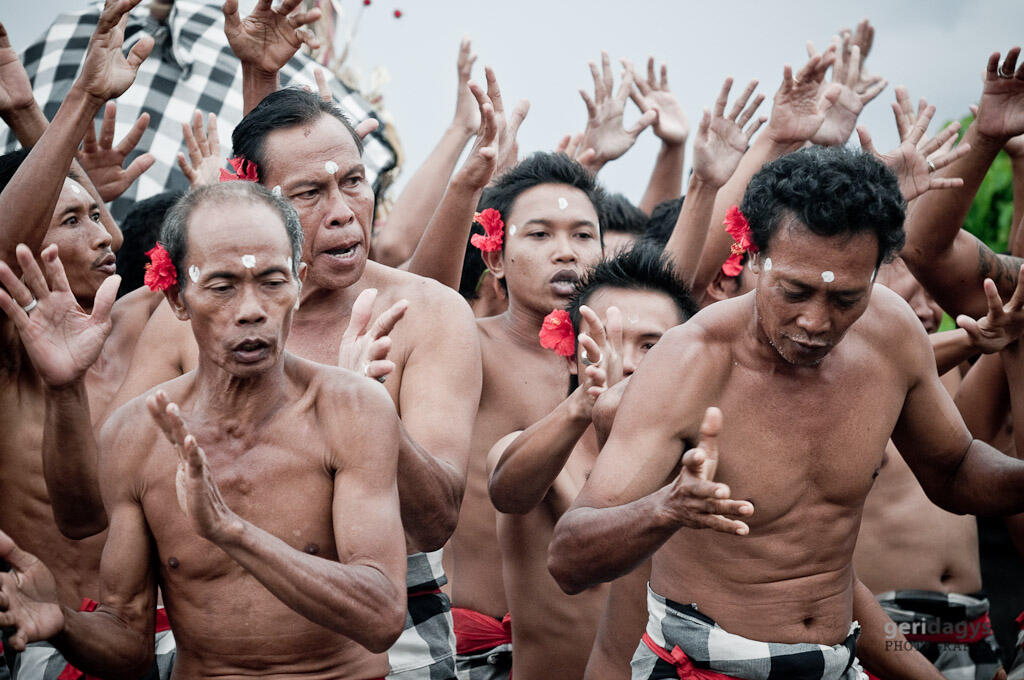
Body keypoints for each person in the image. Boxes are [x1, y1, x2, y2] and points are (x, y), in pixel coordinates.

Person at [549, 145, 1024, 679]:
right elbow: (569, 559)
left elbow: (956, 472)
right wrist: (666, 508)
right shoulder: (690, 361)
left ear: (875, 274)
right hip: (705, 665)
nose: (816, 321)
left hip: (839, 663)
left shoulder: (891, 334)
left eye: (846, 298)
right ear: (754, 257)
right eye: (794, 292)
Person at [108, 85, 482, 679]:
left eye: (354, 182)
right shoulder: (183, 321)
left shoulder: (430, 313)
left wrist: (366, 410)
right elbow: (113, 485)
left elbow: (436, 522)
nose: (342, 211)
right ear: (262, 201)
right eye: (311, 192)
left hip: (390, 616)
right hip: (221, 634)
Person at [0, 181, 408, 679]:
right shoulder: (135, 435)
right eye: (222, 286)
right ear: (176, 297)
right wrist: (60, 622)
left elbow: (383, 616)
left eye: (273, 281)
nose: (252, 309)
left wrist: (230, 532)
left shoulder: (351, 408)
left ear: (299, 284)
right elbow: (128, 645)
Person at [486, 244, 697, 680]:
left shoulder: (698, 468)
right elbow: (508, 492)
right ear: (572, 353)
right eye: (610, 345)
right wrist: (584, 405)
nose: (631, 364)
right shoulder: (535, 453)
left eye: (652, 346)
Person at [447, 151, 605, 678]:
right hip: (471, 650)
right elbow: (417, 287)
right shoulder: (462, 346)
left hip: (582, 653)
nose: (566, 252)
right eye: (539, 235)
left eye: (583, 236)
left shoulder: (627, 360)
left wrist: (704, 182)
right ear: (495, 258)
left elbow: (678, 288)